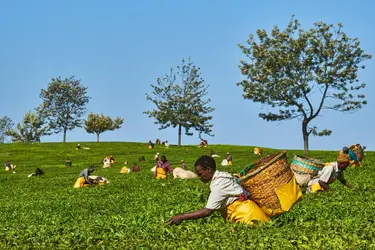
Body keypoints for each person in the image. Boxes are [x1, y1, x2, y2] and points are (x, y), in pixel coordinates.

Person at [168, 155, 269, 225]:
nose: (199, 177)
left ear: (209, 170)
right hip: (248, 214)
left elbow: (207, 211)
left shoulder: (219, 184)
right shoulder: (222, 175)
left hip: (248, 217)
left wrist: (181, 217)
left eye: (200, 174)